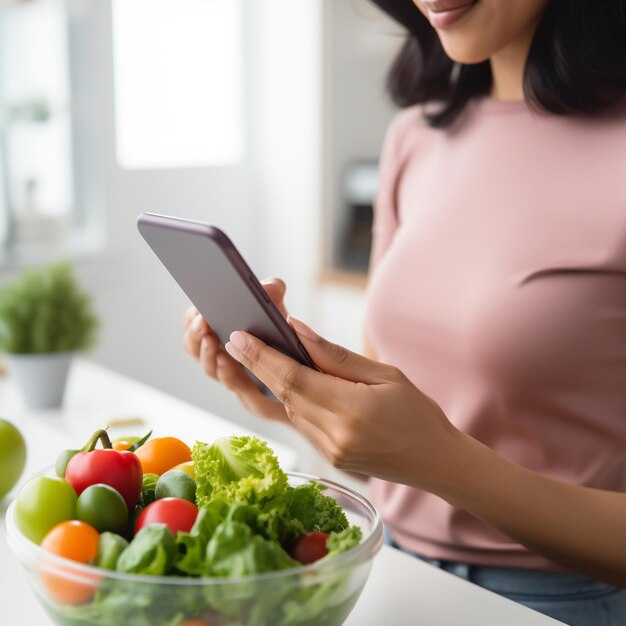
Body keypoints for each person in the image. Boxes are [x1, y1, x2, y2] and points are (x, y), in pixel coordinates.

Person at [183, 1, 626, 623]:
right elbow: (396, 445)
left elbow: (426, 453)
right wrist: (288, 400)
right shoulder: (414, 137)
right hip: (383, 574)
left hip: (559, 603)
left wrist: (441, 462)